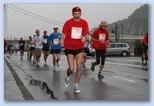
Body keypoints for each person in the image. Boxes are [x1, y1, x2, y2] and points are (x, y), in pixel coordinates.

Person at [62, 6, 89, 94]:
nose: (77, 15)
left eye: (78, 13)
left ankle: (76, 85)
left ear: (80, 14)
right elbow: (64, 34)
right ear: (72, 14)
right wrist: (62, 41)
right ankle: (67, 77)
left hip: (79, 48)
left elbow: (85, 34)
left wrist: (84, 38)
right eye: (75, 14)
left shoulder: (84, 23)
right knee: (71, 68)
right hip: (69, 48)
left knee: (79, 67)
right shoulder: (67, 23)